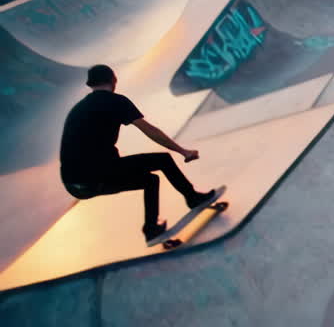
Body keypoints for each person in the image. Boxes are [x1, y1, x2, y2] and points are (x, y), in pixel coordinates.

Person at [59, 65, 217, 244]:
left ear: (91, 84)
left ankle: (151, 229)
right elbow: (150, 131)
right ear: (113, 80)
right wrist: (183, 151)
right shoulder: (115, 101)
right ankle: (193, 198)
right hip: (98, 173)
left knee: (149, 180)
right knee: (163, 160)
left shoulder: (78, 109)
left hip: (75, 184)